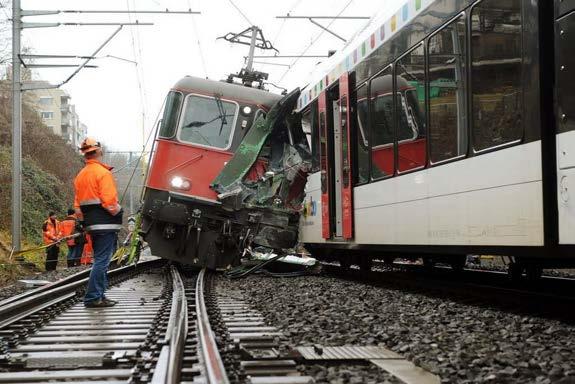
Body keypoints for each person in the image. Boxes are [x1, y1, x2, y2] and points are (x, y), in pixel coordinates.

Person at [74, 137, 123, 308]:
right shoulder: (103, 173)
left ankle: (100, 295)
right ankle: (93, 297)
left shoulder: (80, 176)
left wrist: (83, 221)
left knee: (100, 259)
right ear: (98, 151)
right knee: (102, 261)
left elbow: (77, 205)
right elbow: (109, 201)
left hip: (91, 224)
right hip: (105, 223)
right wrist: (118, 212)